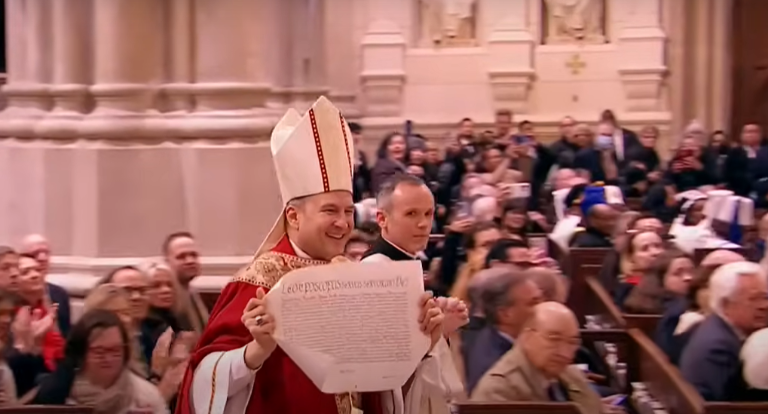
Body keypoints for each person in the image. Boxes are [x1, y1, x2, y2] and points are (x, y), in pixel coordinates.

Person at [175, 97, 445, 414]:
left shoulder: (355, 278)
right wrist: (255, 351)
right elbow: (203, 381)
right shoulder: (258, 282)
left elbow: (378, 381)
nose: (343, 223)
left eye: (348, 211)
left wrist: (420, 343)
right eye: (330, 211)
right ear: (293, 216)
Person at [362, 174, 468, 413]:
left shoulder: (406, 264)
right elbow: (385, 365)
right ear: (382, 219)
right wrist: (430, 338)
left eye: (428, 214)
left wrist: (443, 330)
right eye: (411, 214)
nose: (423, 224)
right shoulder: (375, 273)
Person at [470, 302, 605, 414]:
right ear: (527, 336)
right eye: (554, 339)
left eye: (572, 342)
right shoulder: (498, 391)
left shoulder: (571, 375)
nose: (565, 353)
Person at [680, 261, 768, 401]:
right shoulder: (718, 347)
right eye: (753, 299)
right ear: (725, 304)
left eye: (765, 297)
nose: (764, 306)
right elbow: (730, 404)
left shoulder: (717, 326)